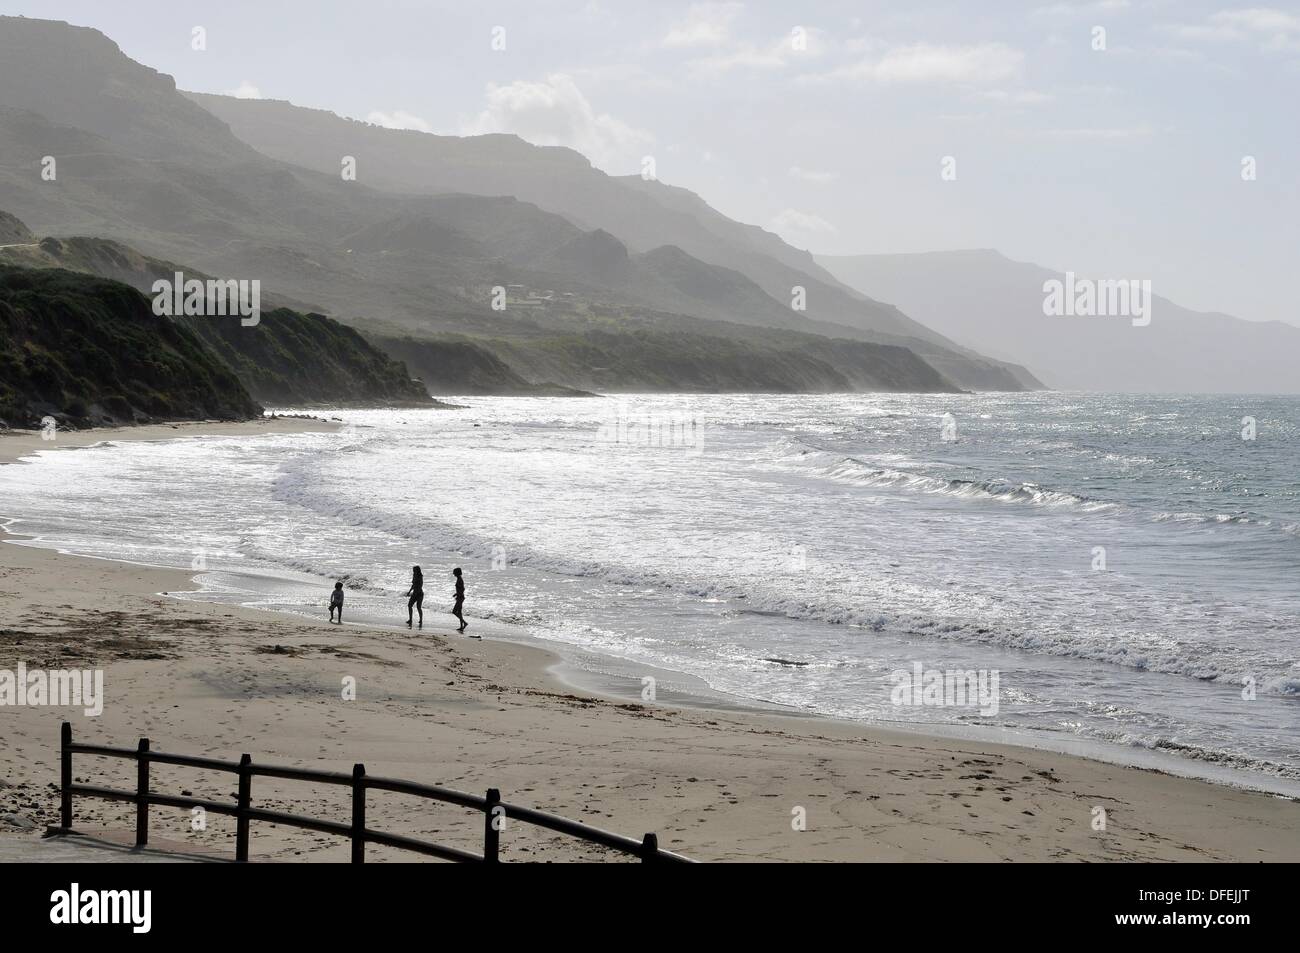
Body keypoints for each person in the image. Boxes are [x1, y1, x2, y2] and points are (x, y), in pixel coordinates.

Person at [451, 567, 469, 634]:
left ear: (457, 573)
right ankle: (461, 626)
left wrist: (458, 595)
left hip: (460, 598)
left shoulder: (460, 579)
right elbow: (461, 589)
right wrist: (456, 594)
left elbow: (463, 589)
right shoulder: (459, 579)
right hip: (460, 597)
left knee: (454, 611)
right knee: (459, 612)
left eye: (454, 572)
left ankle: (464, 623)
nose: (453, 573)